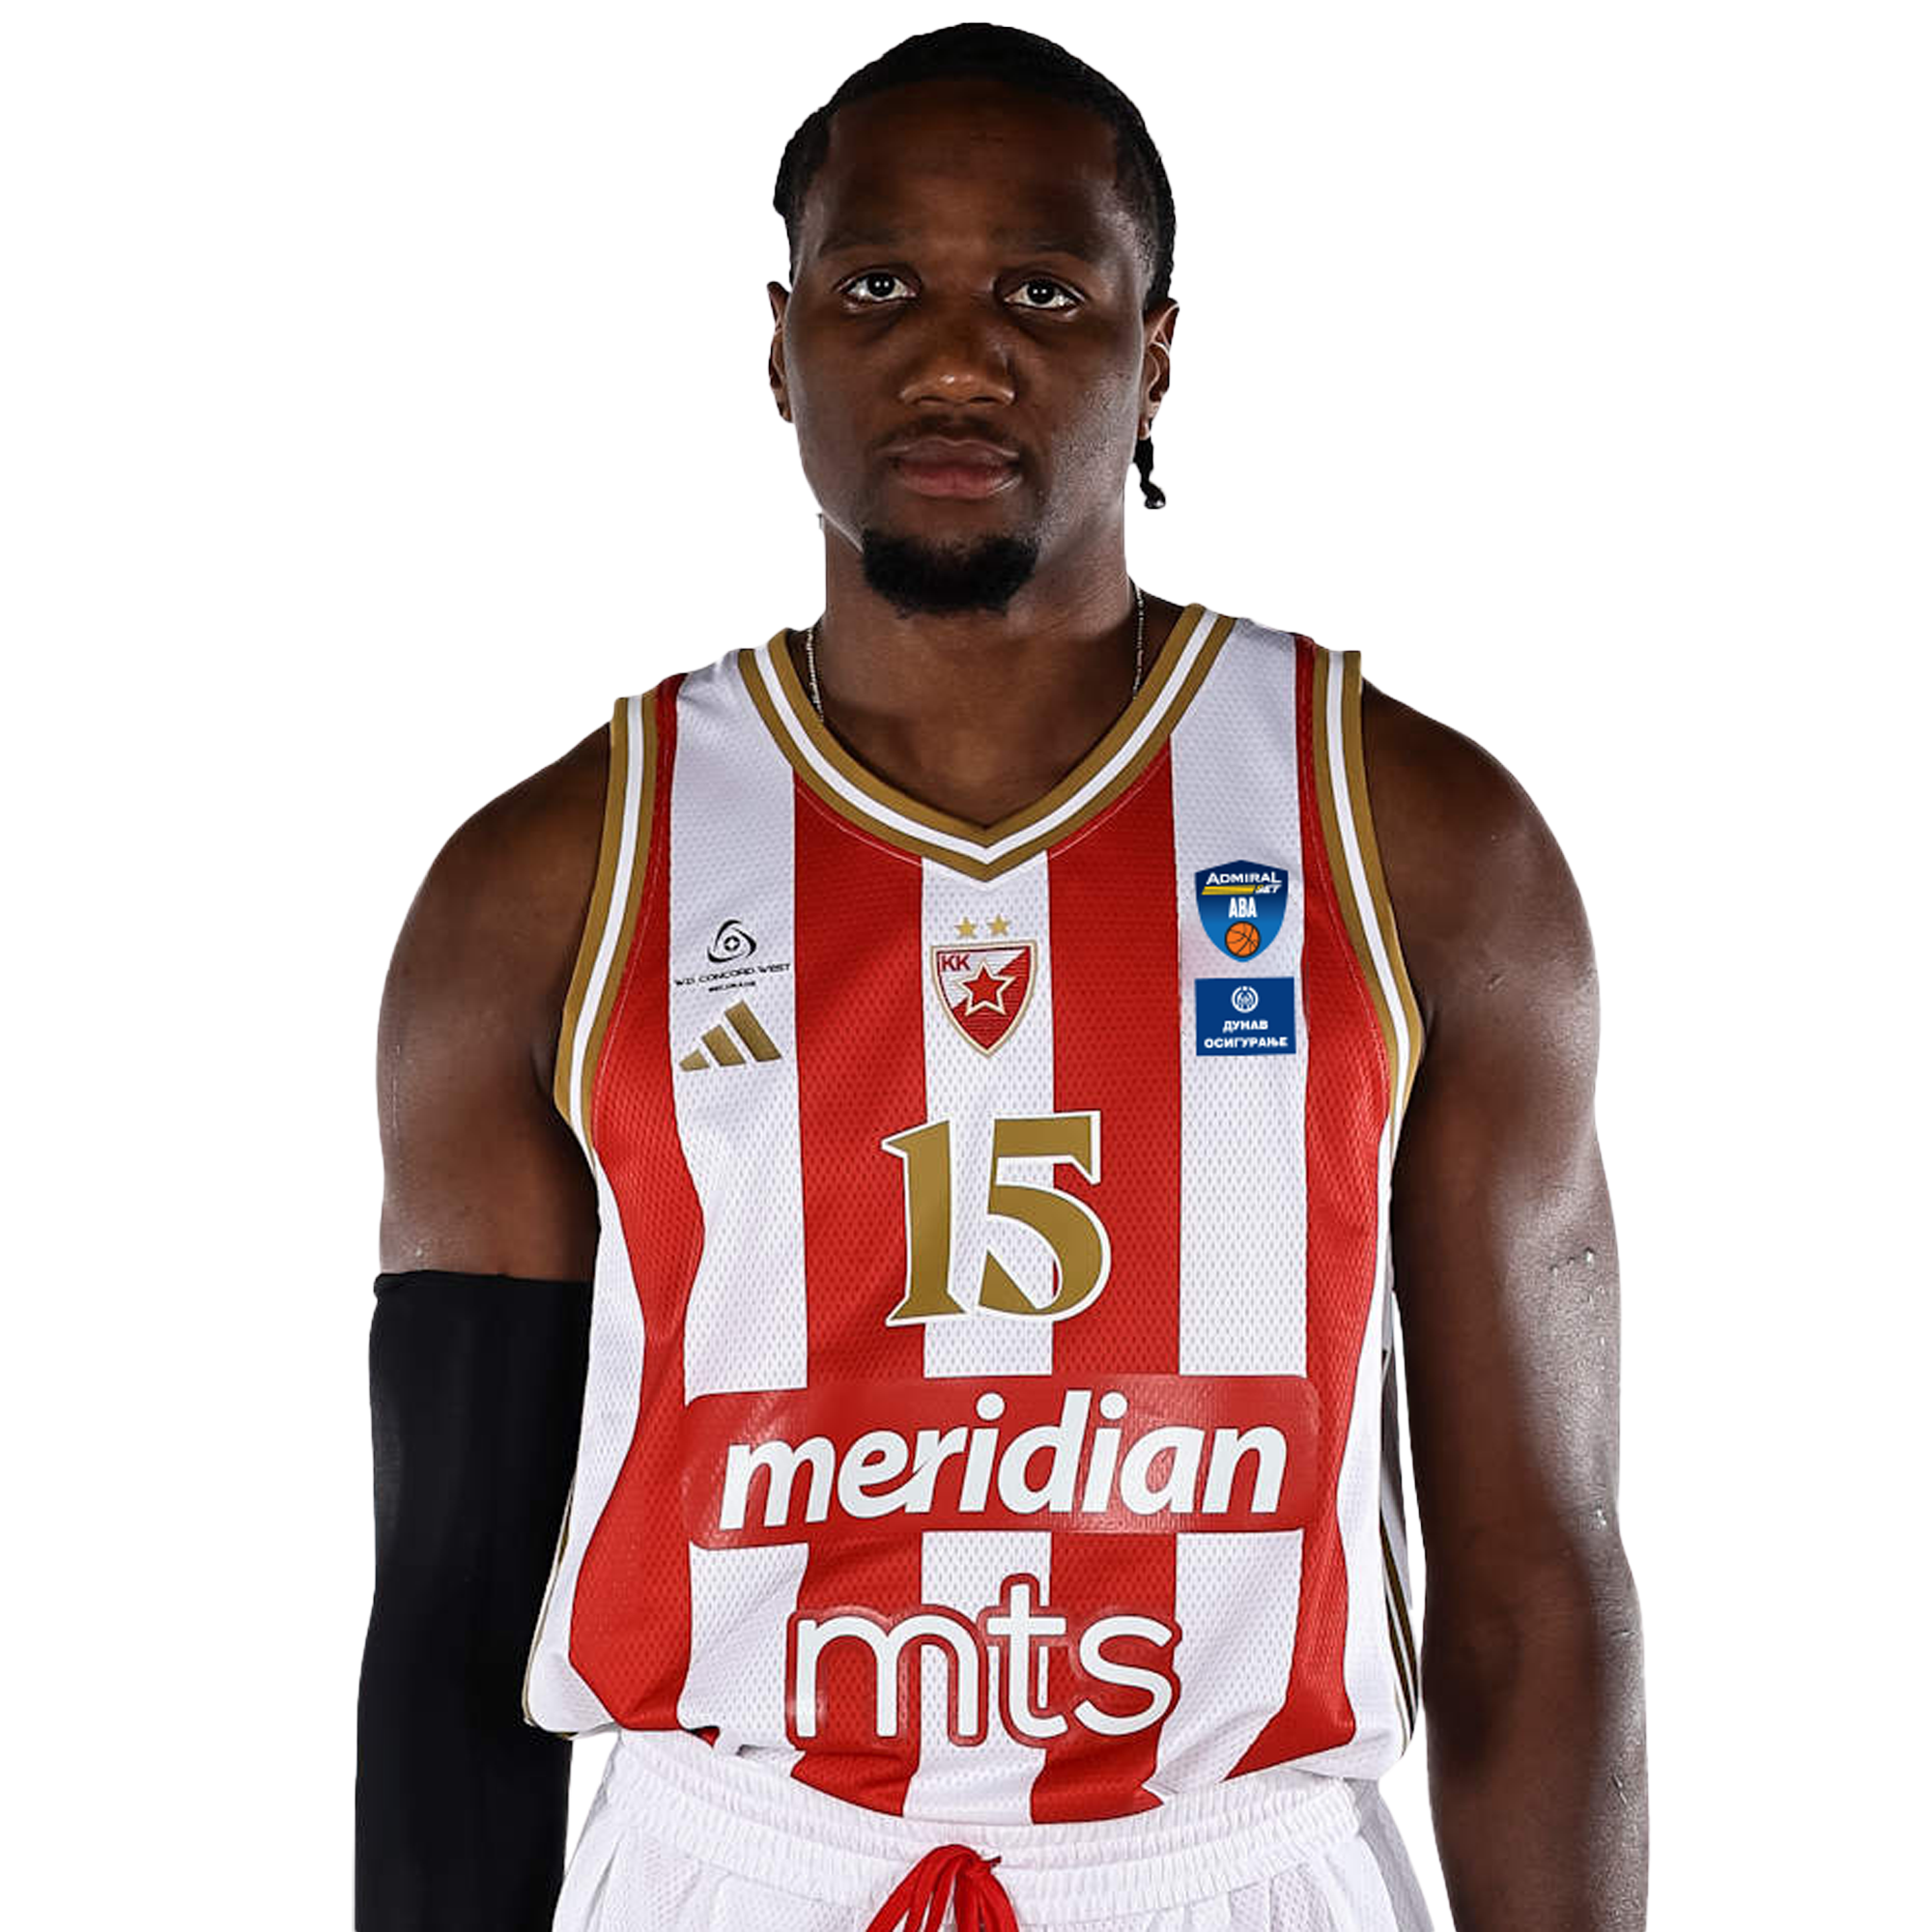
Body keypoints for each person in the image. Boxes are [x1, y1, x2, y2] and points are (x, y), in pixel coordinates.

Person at [355, 23, 1647, 1932]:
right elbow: (451, 1604)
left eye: (1041, 289)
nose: (958, 359)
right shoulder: (550, 876)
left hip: (1235, 1858)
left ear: (1155, 352)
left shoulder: (1415, 836)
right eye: (880, 286)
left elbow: (1530, 1583)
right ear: (780, 339)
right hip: (733, 1858)